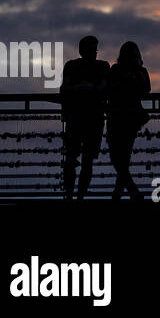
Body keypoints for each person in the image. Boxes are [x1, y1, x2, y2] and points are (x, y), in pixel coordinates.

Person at [60, 35, 110, 199]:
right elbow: (103, 88)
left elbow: (65, 89)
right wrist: (90, 89)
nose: (94, 52)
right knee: (83, 159)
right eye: (92, 48)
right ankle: (78, 195)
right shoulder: (103, 67)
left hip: (77, 117)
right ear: (83, 50)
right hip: (92, 117)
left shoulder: (71, 66)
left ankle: (71, 195)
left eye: (94, 49)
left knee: (74, 158)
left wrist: (77, 88)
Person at [106, 41, 151, 201]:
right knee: (122, 159)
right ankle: (124, 193)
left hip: (119, 116)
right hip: (130, 117)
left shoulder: (117, 70)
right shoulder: (136, 71)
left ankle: (124, 193)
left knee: (118, 158)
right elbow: (145, 90)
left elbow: (111, 89)